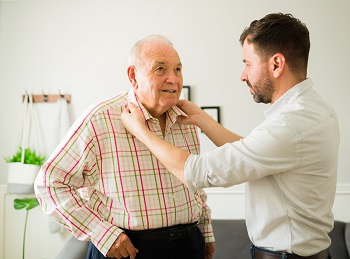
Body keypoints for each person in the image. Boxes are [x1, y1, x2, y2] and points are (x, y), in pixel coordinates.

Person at [121, 13, 339, 259]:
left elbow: (196, 171)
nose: (243, 75)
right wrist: (202, 119)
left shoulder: (291, 125)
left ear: (276, 64)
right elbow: (252, 152)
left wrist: (141, 131)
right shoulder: (314, 110)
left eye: (247, 63)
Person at [34, 34, 215, 259]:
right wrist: (101, 233)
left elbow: (194, 186)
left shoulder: (186, 119)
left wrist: (205, 233)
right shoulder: (100, 119)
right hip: (128, 250)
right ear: (133, 75)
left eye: (177, 69)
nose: (173, 79)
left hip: (189, 245)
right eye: (160, 69)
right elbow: (49, 184)